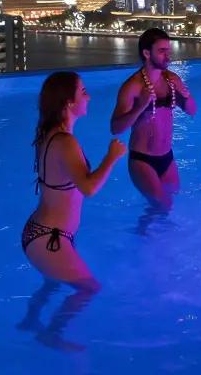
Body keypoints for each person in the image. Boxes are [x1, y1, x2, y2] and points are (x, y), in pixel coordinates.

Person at [20, 72, 127, 350]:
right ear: (68, 102)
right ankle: (52, 332)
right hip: (49, 239)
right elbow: (88, 188)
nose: (88, 97)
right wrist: (112, 157)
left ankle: (31, 318)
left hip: (40, 232)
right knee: (89, 289)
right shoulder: (65, 142)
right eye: (83, 92)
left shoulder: (50, 135)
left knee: (52, 282)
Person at [110, 28, 197, 210]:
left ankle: (145, 226)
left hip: (167, 157)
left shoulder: (172, 79)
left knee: (167, 203)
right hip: (142, 159)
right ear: (147, 53)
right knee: (164, 204)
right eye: (162, 51)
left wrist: (187, 96)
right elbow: (116, 128)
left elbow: (192, 111)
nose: (168, 56)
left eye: (168, 50)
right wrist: (140, 106)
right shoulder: (132, 87)